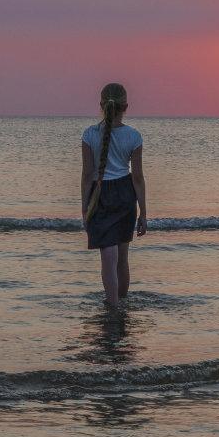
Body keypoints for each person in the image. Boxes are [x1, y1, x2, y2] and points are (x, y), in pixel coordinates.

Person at [81, 83, 147, 308]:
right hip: (125, 194)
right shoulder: (134, 136)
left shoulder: (90, 134)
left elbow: (88, 174)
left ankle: (112, 308)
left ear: (101, 106)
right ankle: (121, 305)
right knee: (122, 258)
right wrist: (144, 213)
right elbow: (137, 177)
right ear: (126, 106)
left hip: (100, 193)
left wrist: (84, 207)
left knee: (108, 257)